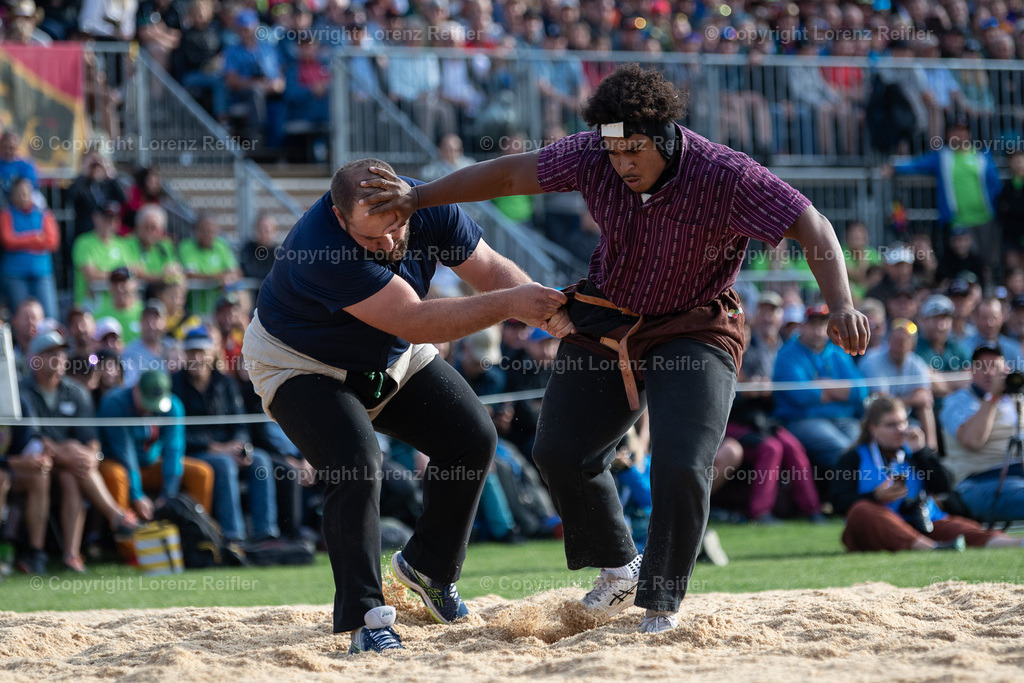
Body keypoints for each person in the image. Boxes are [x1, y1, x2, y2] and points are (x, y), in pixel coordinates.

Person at [360, 64, 868, 634]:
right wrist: (420, 196)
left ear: (666, 136)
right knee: (558, 451)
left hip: (695, 326)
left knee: (680, 464)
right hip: (608, 315)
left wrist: (842, 303)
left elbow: (814, 225)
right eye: (613, 150)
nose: (622, 163)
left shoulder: (726, 175)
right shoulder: (592, 153)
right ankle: (619, 568)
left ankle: (660, 604)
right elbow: (509, 177)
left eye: (633, 150)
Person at [242, 157, 566, 652]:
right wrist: (511, 305)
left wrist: (550, 313)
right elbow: (414, 321)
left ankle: (428, 568)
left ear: (407, 200)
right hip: (301, 363)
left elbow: (491, 270)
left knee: (473, 439)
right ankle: (367, 617)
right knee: (355, 464)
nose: (389, 244)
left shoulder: (430, 206)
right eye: (372, 238)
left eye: (395, 227)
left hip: (387, 356)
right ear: (338, 217)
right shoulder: (320, 247)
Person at [835, 396, 1023, 552]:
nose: (900, 430)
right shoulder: (854, 458)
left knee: (962, 529)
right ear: (873, 428)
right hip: (878, 526)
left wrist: (922, 452)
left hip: (921, 522)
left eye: (903, 422)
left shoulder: (914, 452)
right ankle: (932, 548)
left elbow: (944, 487)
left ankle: (1016, 543)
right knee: (861, 511)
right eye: (891, 425)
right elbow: (838, 502)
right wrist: (876, 496)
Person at [20, 330, 139, 572]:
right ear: (36, 359)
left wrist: (91, 458)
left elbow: (91, 440)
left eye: (62, 353)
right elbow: (34, 439)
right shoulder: (24, 392)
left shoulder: (76, 391)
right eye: (51, 353)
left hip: (72, 469)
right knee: (71, 456)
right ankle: (115, 515)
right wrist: (73, 453)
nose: (60, 358)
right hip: (35, 463)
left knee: (71, 478)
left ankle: (71, 555)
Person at [172, 326, 279, 546]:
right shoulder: (175, 386)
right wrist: (217, 448)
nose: (197, 358)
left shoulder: (226, 383)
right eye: (192, 353)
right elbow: (177, 434)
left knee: (260, 460)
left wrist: (241, 447)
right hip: (194, 453)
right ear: (184, 355)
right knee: (224, 464)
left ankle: (266, 534)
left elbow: (240, 424)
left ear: (211, 353)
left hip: (228, 450)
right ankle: (233, 536)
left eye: (201, 352)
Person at [98, 370, 215, 526]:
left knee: (202, 473)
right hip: (117, 463)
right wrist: (137, 495)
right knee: (117, 475)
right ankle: (128, 543)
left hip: (151, 463)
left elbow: (174, 449)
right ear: (136, 389)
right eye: (147, 401)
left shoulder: (173, 406)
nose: (150, 409)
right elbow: (125, 453)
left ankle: (197, 534)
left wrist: (169, 494)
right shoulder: (114, 403)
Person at [773, 305, 868, 471]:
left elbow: (861, 391)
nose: (818, 330)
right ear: (802, 326)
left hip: (843, 418)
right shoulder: (787, 354)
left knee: (865, 447)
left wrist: (824, 387)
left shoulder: (837, 352)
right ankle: (848, 495)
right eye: (812, 324)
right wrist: (840, 390)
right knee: (845, 450)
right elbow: (802, 396)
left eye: (822, 324)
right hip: (803, 420)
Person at [940, 344, 1024, 524]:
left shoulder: (1017, 399)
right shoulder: (957, 401)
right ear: (971, 371)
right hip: (977, 483)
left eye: (996, 367)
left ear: (1006, 371)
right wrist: (992, 398)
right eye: (982, 367)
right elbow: (972, 440)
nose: (990, 373)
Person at [859, 319, 937, 450]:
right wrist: (911, 399)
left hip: (903, 418)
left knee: (926, 406)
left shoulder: (917, 363)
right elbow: (882, 402)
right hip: (873, 417)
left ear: (912, 345)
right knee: (892, 418)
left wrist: (903, 400)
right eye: (894, 340)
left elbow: (924, 397)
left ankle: (931, 449)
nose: (897, 346)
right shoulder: (873, 360)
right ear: (888, 341)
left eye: (903, 342)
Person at [0, 176, 60, 317]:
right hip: (15, 275)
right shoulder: (6, 214)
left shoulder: (43, 213)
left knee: (50, 316)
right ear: (13, 195)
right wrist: (37, 238)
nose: (23, 195)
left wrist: (20, 239)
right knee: (22, 317)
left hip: (42, 274)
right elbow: (8, 241)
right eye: (19, 192)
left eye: (26, 191)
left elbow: (52, 242)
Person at [178, 215, 241, 316]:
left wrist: (229, 277)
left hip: (221, 310)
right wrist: (217, 277)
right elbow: (189, 274)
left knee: (242, 293)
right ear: (196, 231)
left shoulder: (221, 246)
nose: (208, 234)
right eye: (204, 230)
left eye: (211, 231)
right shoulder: (186, 247)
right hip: (195, 311)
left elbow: (236, 271)